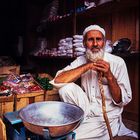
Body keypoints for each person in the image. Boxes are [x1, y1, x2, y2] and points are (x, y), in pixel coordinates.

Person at [50, 25, 138, 140]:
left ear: (104, 42)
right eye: (91, 40)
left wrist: (109, 76)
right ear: (84, 43)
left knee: (71, 137)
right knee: (66, 88)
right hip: (86, 110)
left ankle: (97, 129)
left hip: (106, 117)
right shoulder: (81, 60)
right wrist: (87, 66)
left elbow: (121, 101)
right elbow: (58, 80)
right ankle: (79, 120)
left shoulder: (118, 62)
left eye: (99, 39)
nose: (95, 44)